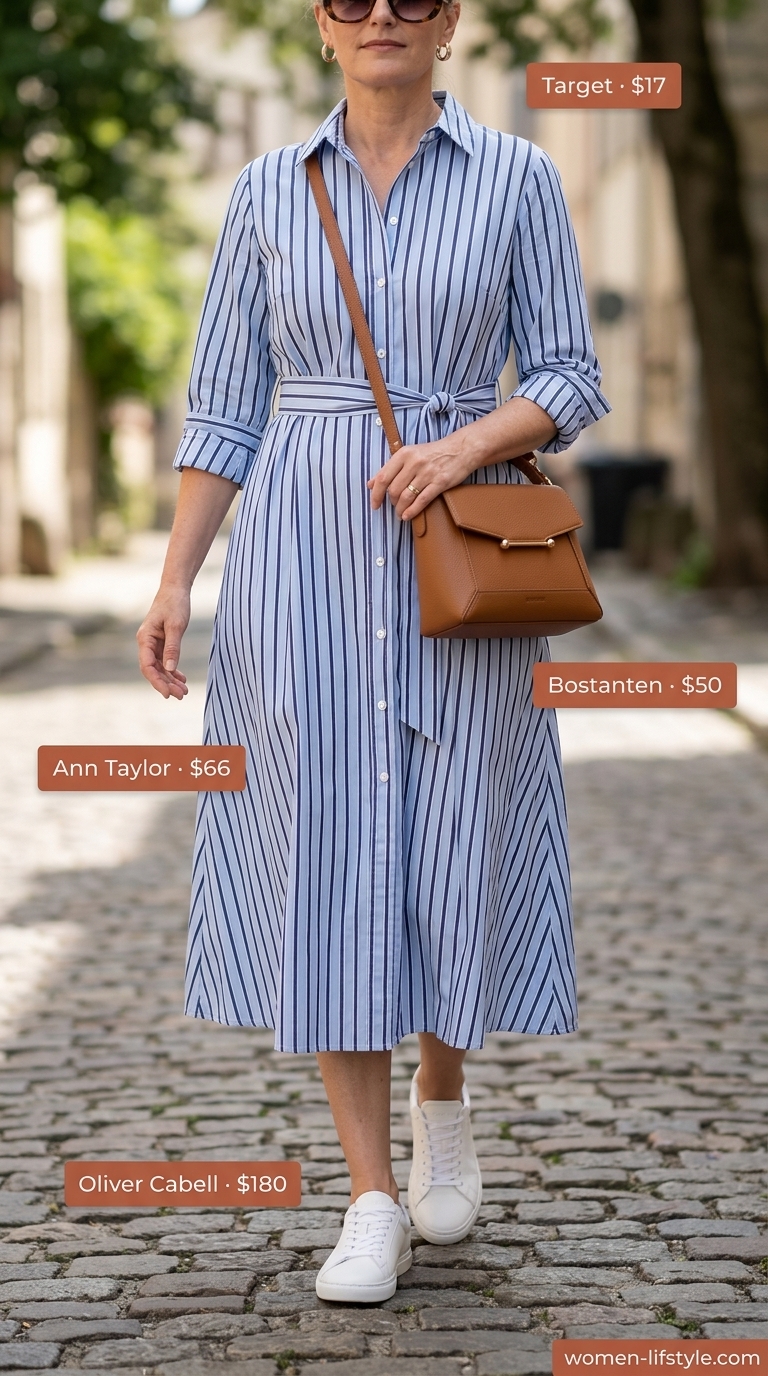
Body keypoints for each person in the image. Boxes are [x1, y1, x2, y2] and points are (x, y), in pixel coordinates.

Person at [138, 0, 609, 1306]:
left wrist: (462, 445)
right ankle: (370, 1194)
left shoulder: (518, 175)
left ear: (450, 20)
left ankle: (443, 1099)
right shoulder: (262, 195)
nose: (384, 16)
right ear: (323, 23)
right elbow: (225, 408)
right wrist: (177, 577)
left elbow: (571, 375)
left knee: (457, 827)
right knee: (330, 848)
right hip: (304, 558)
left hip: (467, 553)